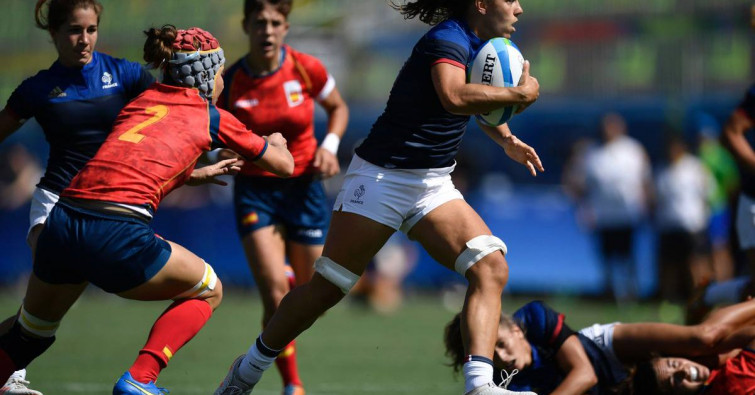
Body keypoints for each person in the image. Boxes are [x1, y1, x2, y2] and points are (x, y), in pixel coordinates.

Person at [215, 0, 542, 394]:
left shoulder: (476, 44)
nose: (519, 9)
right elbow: (454, 97)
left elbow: (476, 105)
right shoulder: (447, 40)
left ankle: (479, 386)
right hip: (381, 178)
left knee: (490, 267)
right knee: (326, 289)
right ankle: (248, 369)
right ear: (482, 3)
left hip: (432, 183)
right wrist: (518, 92)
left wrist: (507, 139)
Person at [0, 25, 294, 395]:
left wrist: (194, 173)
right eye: (220, 74)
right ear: (205, 74)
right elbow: (284, 166)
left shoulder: (142, 100)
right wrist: (275, 140)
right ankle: (141, 378)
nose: (222, 82)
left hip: (63, 220)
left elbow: (134, 161)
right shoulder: (210, 115)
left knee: (31, 334)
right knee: (209, 289)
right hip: (115, 231)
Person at [0, 1, 156, 393]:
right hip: (55, 204)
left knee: (40, 315)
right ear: (53, 34)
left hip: (105, 207)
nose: (83, 39)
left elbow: (172, 115)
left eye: (90, 29)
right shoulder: (37, 88)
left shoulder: (126, 74)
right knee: (39, 312)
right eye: (73, 30)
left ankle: (8, 365)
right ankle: (11, 373)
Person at [216, 1, 349, 393]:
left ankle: (292, 277)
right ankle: (293, 384)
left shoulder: (306, 68)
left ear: (286, 27)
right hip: (256, 191)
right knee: (276, 295)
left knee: (313, 296)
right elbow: (206, 129)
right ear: (246, 26)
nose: (268, 31)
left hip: (304, 186)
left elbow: (338, 107)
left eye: (275, 23)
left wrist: (330, 145)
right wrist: (216, 153)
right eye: (260, 23)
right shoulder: (232, 79)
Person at [444, 299, 755, 394]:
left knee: (703, 342)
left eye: (500, 343)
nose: (500, 357)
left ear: (515, 329)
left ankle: (730, 295)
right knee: (718, 368)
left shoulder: (534, 317)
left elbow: (584, 373)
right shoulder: (497, 384)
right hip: (618, 387)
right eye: (491, 355)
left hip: (603, 351)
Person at [566, 112, 652, 303]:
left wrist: (647, 205)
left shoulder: (633, 150)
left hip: (628, 214)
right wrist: (583, 208)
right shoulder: (592, 154)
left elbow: (645, 181)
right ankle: (610, 291)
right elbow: (580, 185)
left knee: (628, 256)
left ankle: (631, 292)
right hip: (603, 215)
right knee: (607, 257)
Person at [653, 133, 714, 303]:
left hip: (692, 224)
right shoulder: (661, 170)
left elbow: (708, 193)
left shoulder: (695, 167)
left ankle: (701, 297)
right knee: (669, 265)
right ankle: (669, 299)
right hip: (668, 225)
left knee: (695, 263)